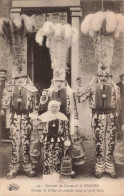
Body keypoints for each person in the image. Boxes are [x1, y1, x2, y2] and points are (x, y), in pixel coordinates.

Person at [77, 70, 120, 178]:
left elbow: (119, 104)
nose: (103, 77)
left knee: (110, 142)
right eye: (101, 75)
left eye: (107, 75)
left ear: (110, 76)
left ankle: (110, 167)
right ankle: (99, 167)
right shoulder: (92, 88)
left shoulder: (116, 88)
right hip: (97, 118)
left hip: (111, 117)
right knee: (99, 141)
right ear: (97, 76)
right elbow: (80, 98)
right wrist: (84, 86)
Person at [1, 75, 38, 179]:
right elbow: (5, 104)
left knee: (26, 143)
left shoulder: (32, 90)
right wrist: (6, 100)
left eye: (22, 78)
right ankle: (14, 168)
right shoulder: (9, 90)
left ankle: (28, 167)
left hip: (27, 118)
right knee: (15, 143)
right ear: (14, 79)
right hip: (15, 118)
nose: (20, 80)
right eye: (17, 78)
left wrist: (34, 119)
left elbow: (35, 106)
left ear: (26, 79)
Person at [37, 100, 71, 181]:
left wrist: (67, 139)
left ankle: (56, 174)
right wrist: (40, 135)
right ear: (49, 107)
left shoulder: (62, 117)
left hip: (58, 140)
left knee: (57, 156)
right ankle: (47, 174)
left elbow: (66, 129)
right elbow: (37, 125)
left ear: (58, 108)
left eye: (56, 107)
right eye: (52, 107)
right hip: (47, 139)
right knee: (47, 156)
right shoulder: (45, 116)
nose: (54, 108)